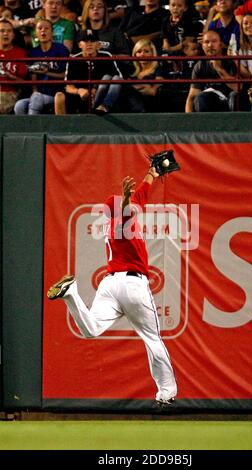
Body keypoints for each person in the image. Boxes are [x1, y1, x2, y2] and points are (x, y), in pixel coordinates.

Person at [47, 165, 178, 407]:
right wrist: (127, 198)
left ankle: (71, 293)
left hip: (109, 285)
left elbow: (139, 198)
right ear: (117, 208)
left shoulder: (113, 220)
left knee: (91, 329)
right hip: (132, 284)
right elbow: (130, 207)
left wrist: (151, 173)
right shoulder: (121, 222)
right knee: (152, 338)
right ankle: (167, 392)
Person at [54, 28, 122, 114]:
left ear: (98, 44)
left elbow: (118, 79)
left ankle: (104, 106)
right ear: (79, 45)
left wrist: (96, 89)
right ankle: (62, 127)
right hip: (81, 97)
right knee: (59, 96)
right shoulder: (73, 60)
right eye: (86, 41)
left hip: (101, 96)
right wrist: (79, 91)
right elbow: (68, 86)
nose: (89, 44)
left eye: (93, 41)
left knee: (110, 79)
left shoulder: (106, 57)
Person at [14, 18, 69, 114]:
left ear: (52, 33)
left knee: (37, 98)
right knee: (19, 105)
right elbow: (33, 75)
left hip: (56, 94)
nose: (43, 30)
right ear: (35, 33)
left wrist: (47, 72)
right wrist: (34, 91)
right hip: (38, 94)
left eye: (46, 28)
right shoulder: (33, 52)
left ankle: (33, 128)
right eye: (40, 28)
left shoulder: (61, 49)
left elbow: (66, 75)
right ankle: (23, 129)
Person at [185, 30, 238, 112]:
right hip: (209, 100)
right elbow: (191, 97)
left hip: (228, 99)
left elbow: (237, 88)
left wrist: (219, 69)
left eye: (214, 41)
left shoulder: (230, 60)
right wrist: (188, 121)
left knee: (234, 97)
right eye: (206, 42)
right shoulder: (199, 65)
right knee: (200, 98)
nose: (210, 45)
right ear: (202, 46)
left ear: (221, 45)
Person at [0, 18, 27, 114]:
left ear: (13, 35)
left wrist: (10, 77)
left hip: (10, 93)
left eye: (9, 31)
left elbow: (23, 83)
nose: (5, 34)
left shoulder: (20, 53)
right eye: (2, 31)